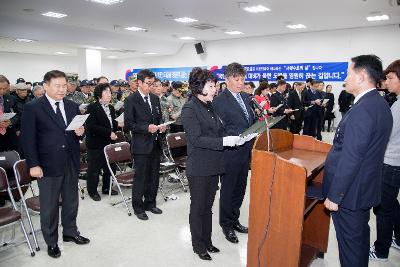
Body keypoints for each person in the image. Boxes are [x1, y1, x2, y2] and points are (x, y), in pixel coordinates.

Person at [322, 55, 392, 267]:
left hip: (350, 195)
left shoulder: (364, 110)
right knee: (358, 243)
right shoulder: (378, 104)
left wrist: (335, 196)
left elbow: (351, 157)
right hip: (362, 189)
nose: (345, 78)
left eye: (348, 73)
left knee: (351, 249)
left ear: (361, 76)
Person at [21, 70, 90, 259]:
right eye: (57, 86)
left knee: (71, 200)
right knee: (50, 205)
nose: (62, 89)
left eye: (64, 86)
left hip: (70, 161)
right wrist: (33, 164)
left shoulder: (72, 106)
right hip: (46, 164)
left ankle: (70, 232)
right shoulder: (33, 108)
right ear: (46, 86)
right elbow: (28, 140)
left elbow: (77, 133)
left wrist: (80, 132)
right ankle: (51, 241)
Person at [182, 67, 242, 261]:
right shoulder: (190, 108)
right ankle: (198, 245)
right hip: (198, 166)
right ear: (199, 87)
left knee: (208, 207)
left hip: (214, 164)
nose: (216, 88)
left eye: (215, 85)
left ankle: (207, 241)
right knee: (198, 207)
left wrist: (234, 138)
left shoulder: (211, 105)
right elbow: (196, 139)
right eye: (211, 85)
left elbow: (218, 131)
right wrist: (224, 142)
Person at [212, 62, 255, 244]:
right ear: (227, 79)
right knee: (228, 190)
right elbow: (218, 129)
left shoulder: (245, 98)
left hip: (245, 151)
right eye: (237, 79)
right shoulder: (219, 101)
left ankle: (235, 219)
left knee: (240, 189)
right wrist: (236, 136)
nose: (241, 83)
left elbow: (248, 121)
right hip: (230, 153)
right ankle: (226, 225)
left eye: (243, 79)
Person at [124, 69, 166, 220]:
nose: (152, 86)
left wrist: (162, 127)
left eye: (153, 83)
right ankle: (138, 207)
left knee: (154, 176)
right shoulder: (131, 100)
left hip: (155, 143)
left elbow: (159, 118)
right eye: (148, 84)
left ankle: (150, 203)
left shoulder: (155, 99)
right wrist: (146, 128)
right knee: (141, 177)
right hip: (141, 145)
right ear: (139, 83)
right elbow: (129, 124)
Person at [370, 59, 400, 261]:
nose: (386, 83)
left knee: (383, 208)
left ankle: (381, 250)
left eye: (390, 78)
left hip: (390, 163)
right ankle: (398, 237)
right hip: (395, 162)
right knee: (392, 204)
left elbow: (386, 135)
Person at [85, 83, 119, 201]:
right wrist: (108, 133)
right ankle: (92, 191)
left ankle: (106, 187)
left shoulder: (111, 107)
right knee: (95, 169)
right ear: (99, 95)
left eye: (110, 92)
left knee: (110, 167)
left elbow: (112, 124)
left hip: (109, 142)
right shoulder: (92, 108)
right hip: (96, 143)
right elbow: (92, 126)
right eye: (106, 92)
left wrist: (118, 124)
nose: (109, 94)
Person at [0, 75, 18, 152]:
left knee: (10, 160)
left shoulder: (12, 98)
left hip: (9, 137)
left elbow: (17, 115)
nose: (2, 91)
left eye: (5, 88)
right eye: (0, 88)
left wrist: (10, 122)